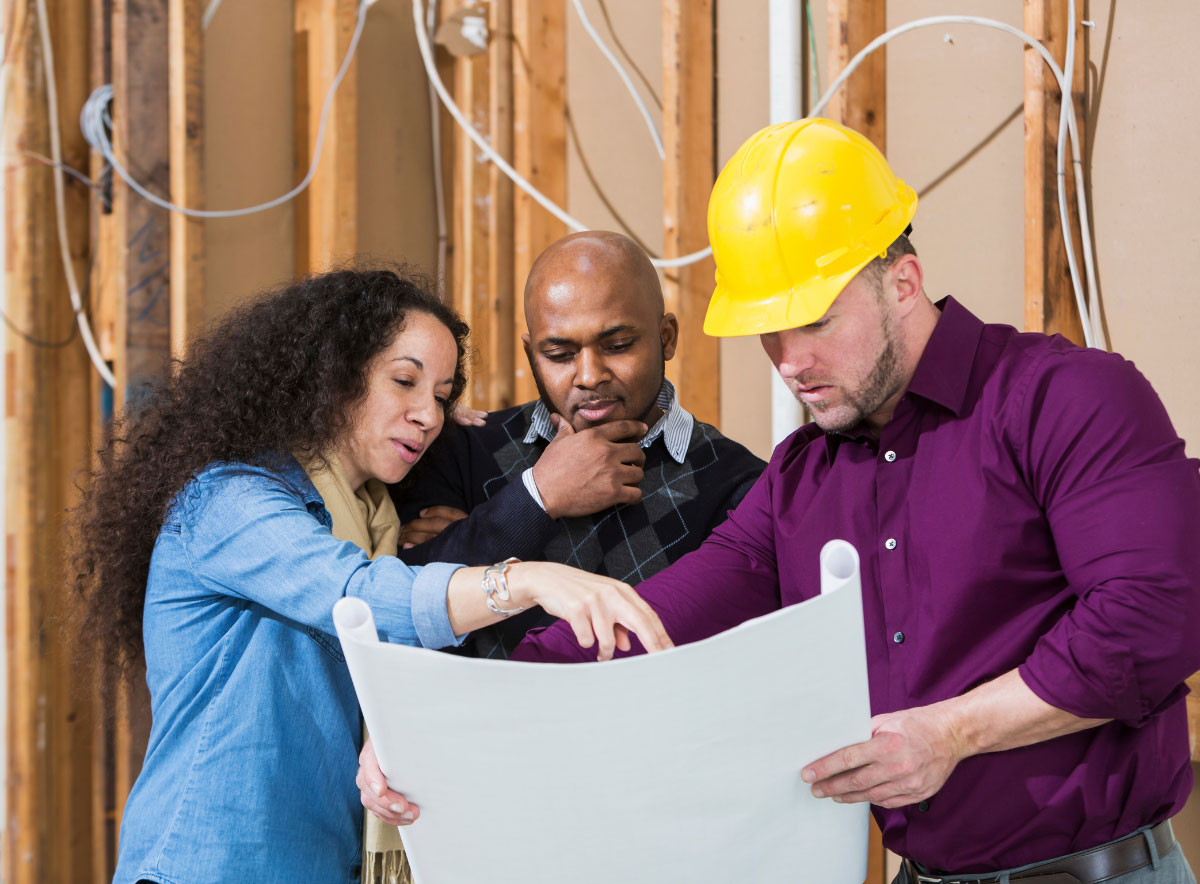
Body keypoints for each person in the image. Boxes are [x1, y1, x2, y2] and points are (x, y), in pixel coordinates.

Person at [507, 120, 1200, 882]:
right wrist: (454, 713)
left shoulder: (1064, 398)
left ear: (902, 281)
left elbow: (1154, 618)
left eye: (815, 320)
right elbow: (649, 622)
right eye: (769, 331)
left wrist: (952, 734)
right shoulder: (800, 481)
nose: (791, 362)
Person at [69, 267, 670, 884]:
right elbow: (359, 598)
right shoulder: (231, 502)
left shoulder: (376, 521)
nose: (428, 416)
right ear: (331, 377)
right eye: (403, 381)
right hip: (206, 863)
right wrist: (526, 580)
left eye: (441, 397)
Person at [392, 230, 765, 659]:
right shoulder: (461, 449)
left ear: (666, 337)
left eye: (618, 345)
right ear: (532, 353)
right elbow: (405, 601)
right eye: (559, 353)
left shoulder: (738, 484)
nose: (589, 375)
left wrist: (476, 543)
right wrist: (536, 498)